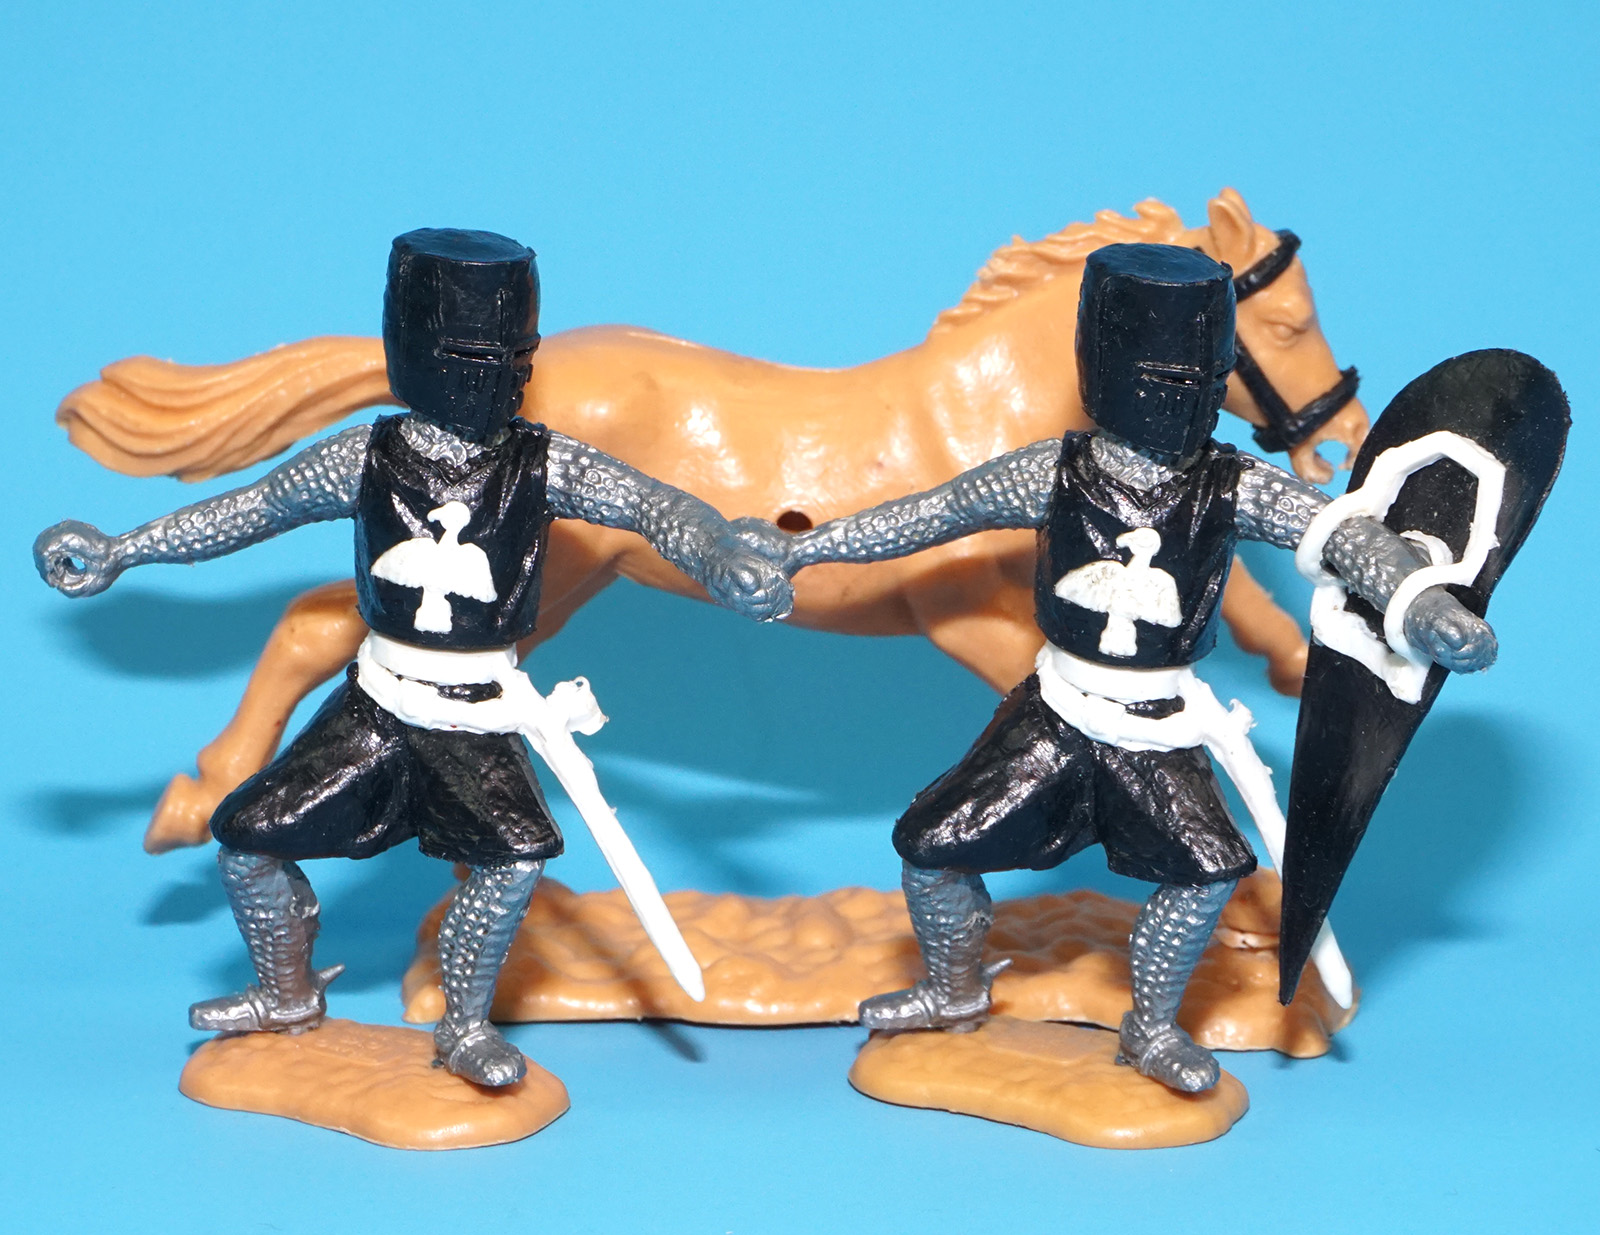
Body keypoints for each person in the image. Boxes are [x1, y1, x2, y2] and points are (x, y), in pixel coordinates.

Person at [35, 228, 792, 1087]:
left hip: (475, 713)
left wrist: (715, 552)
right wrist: (124, 549)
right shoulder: (362, 458)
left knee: (511, 862)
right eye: (477, 357)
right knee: (247, 841)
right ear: (421, 354)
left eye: (519, 358)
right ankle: (285, 992)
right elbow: (250, 511)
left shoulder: (544, 465)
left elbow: (656, 507)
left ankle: (463, 1027)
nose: (501, 376)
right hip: (379, 703)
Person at [775, 242, 1496, 1092]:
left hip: (1157, 728)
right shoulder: (1051, 473)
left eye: (1203, 378)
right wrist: (805, 550)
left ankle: (1151, 1027)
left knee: (1205, 872)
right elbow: (931, 514)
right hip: (1055, 714)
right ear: (1108, 371)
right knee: (932, 850)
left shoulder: (1236, 485)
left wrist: (1422, 604)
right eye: (1162, 378)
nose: (1182, 398)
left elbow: (1342, 535)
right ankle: (953, 988)